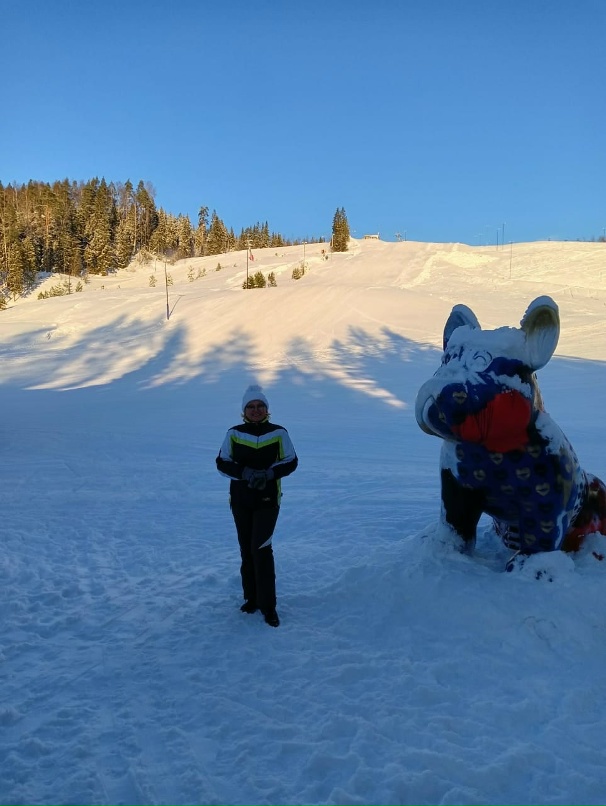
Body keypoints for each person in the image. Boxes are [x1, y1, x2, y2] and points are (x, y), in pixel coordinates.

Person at [216, 384, 298, 627]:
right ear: (244, 410)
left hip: (268, 500)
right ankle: (251, 599)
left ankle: (268, 605)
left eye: (260, 405)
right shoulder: (234, 433)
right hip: (240, 500)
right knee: (246, 550)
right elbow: (222, 462)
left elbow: (291, 461)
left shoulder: (278, 432)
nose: (255, 410)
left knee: (261, 549)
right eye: (250, 406)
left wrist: (270, 474)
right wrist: (245, 472)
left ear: (267, 409)